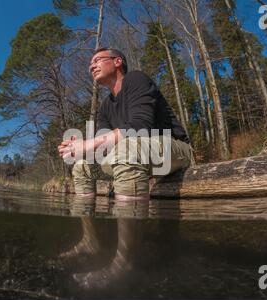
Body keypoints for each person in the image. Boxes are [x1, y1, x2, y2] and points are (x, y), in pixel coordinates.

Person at [58, 48, 193, 201]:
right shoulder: (105, 106)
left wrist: (88, 144)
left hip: (175, 149)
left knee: (126, 150)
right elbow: (104, 146)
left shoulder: (136, 79)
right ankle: (87, 221)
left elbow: (141, 126)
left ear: (117, 61)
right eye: (91, 64)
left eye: (97, 60)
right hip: (131, 155)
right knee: (81, 166)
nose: (91, 67)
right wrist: (79, 148)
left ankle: (132, 221)